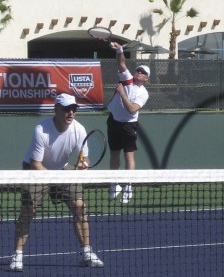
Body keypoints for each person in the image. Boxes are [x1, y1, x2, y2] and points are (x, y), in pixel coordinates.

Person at [9, 93, 104, 271]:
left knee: (80, 206)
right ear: (56, 110)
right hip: (36, 169)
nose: (71, 113)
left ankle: (87, 252)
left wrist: (83, 164)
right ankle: (17, 256)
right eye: (67, 109)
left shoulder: (79, 130)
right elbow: (35, 163)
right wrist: (56, 178)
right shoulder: (41, 130)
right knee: (29, 209)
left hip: (62, 167)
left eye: (74, 109)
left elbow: (85, 158)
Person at [107, 42, 150, 204]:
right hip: (114, 121)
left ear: (146, 78)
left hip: (128, 125)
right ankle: (114, 185)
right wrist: (119, 49)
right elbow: (121, 62)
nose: (139, 72)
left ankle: (128, 187)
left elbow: (132, 109)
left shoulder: (143, 94)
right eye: (138, 70)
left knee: (128, 156)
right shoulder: (127, 79)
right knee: (114, 155)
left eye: (143, 72)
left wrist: (121, 92)